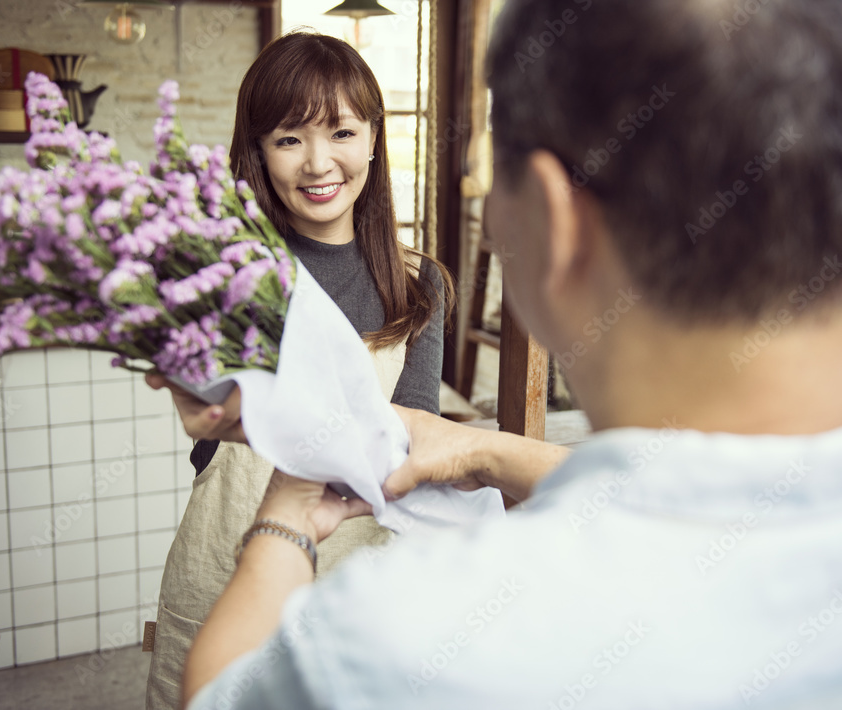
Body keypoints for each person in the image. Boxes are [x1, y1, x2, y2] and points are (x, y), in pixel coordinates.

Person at [169, 0, 842, 707]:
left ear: (552, 226)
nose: (317, 160)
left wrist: (285, 515)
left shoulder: (388, 641)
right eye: (288, 138)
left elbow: (220, 697)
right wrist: (483, 453)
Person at [143, 31, 454, 708]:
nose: (319, 162)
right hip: (227, 566)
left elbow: (419, 443)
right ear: (257, 151)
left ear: (374, 137)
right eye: (288, 138)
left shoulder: (419, 283)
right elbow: (206, 425)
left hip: (363, 576)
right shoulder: (221, 270)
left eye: (341, 131)